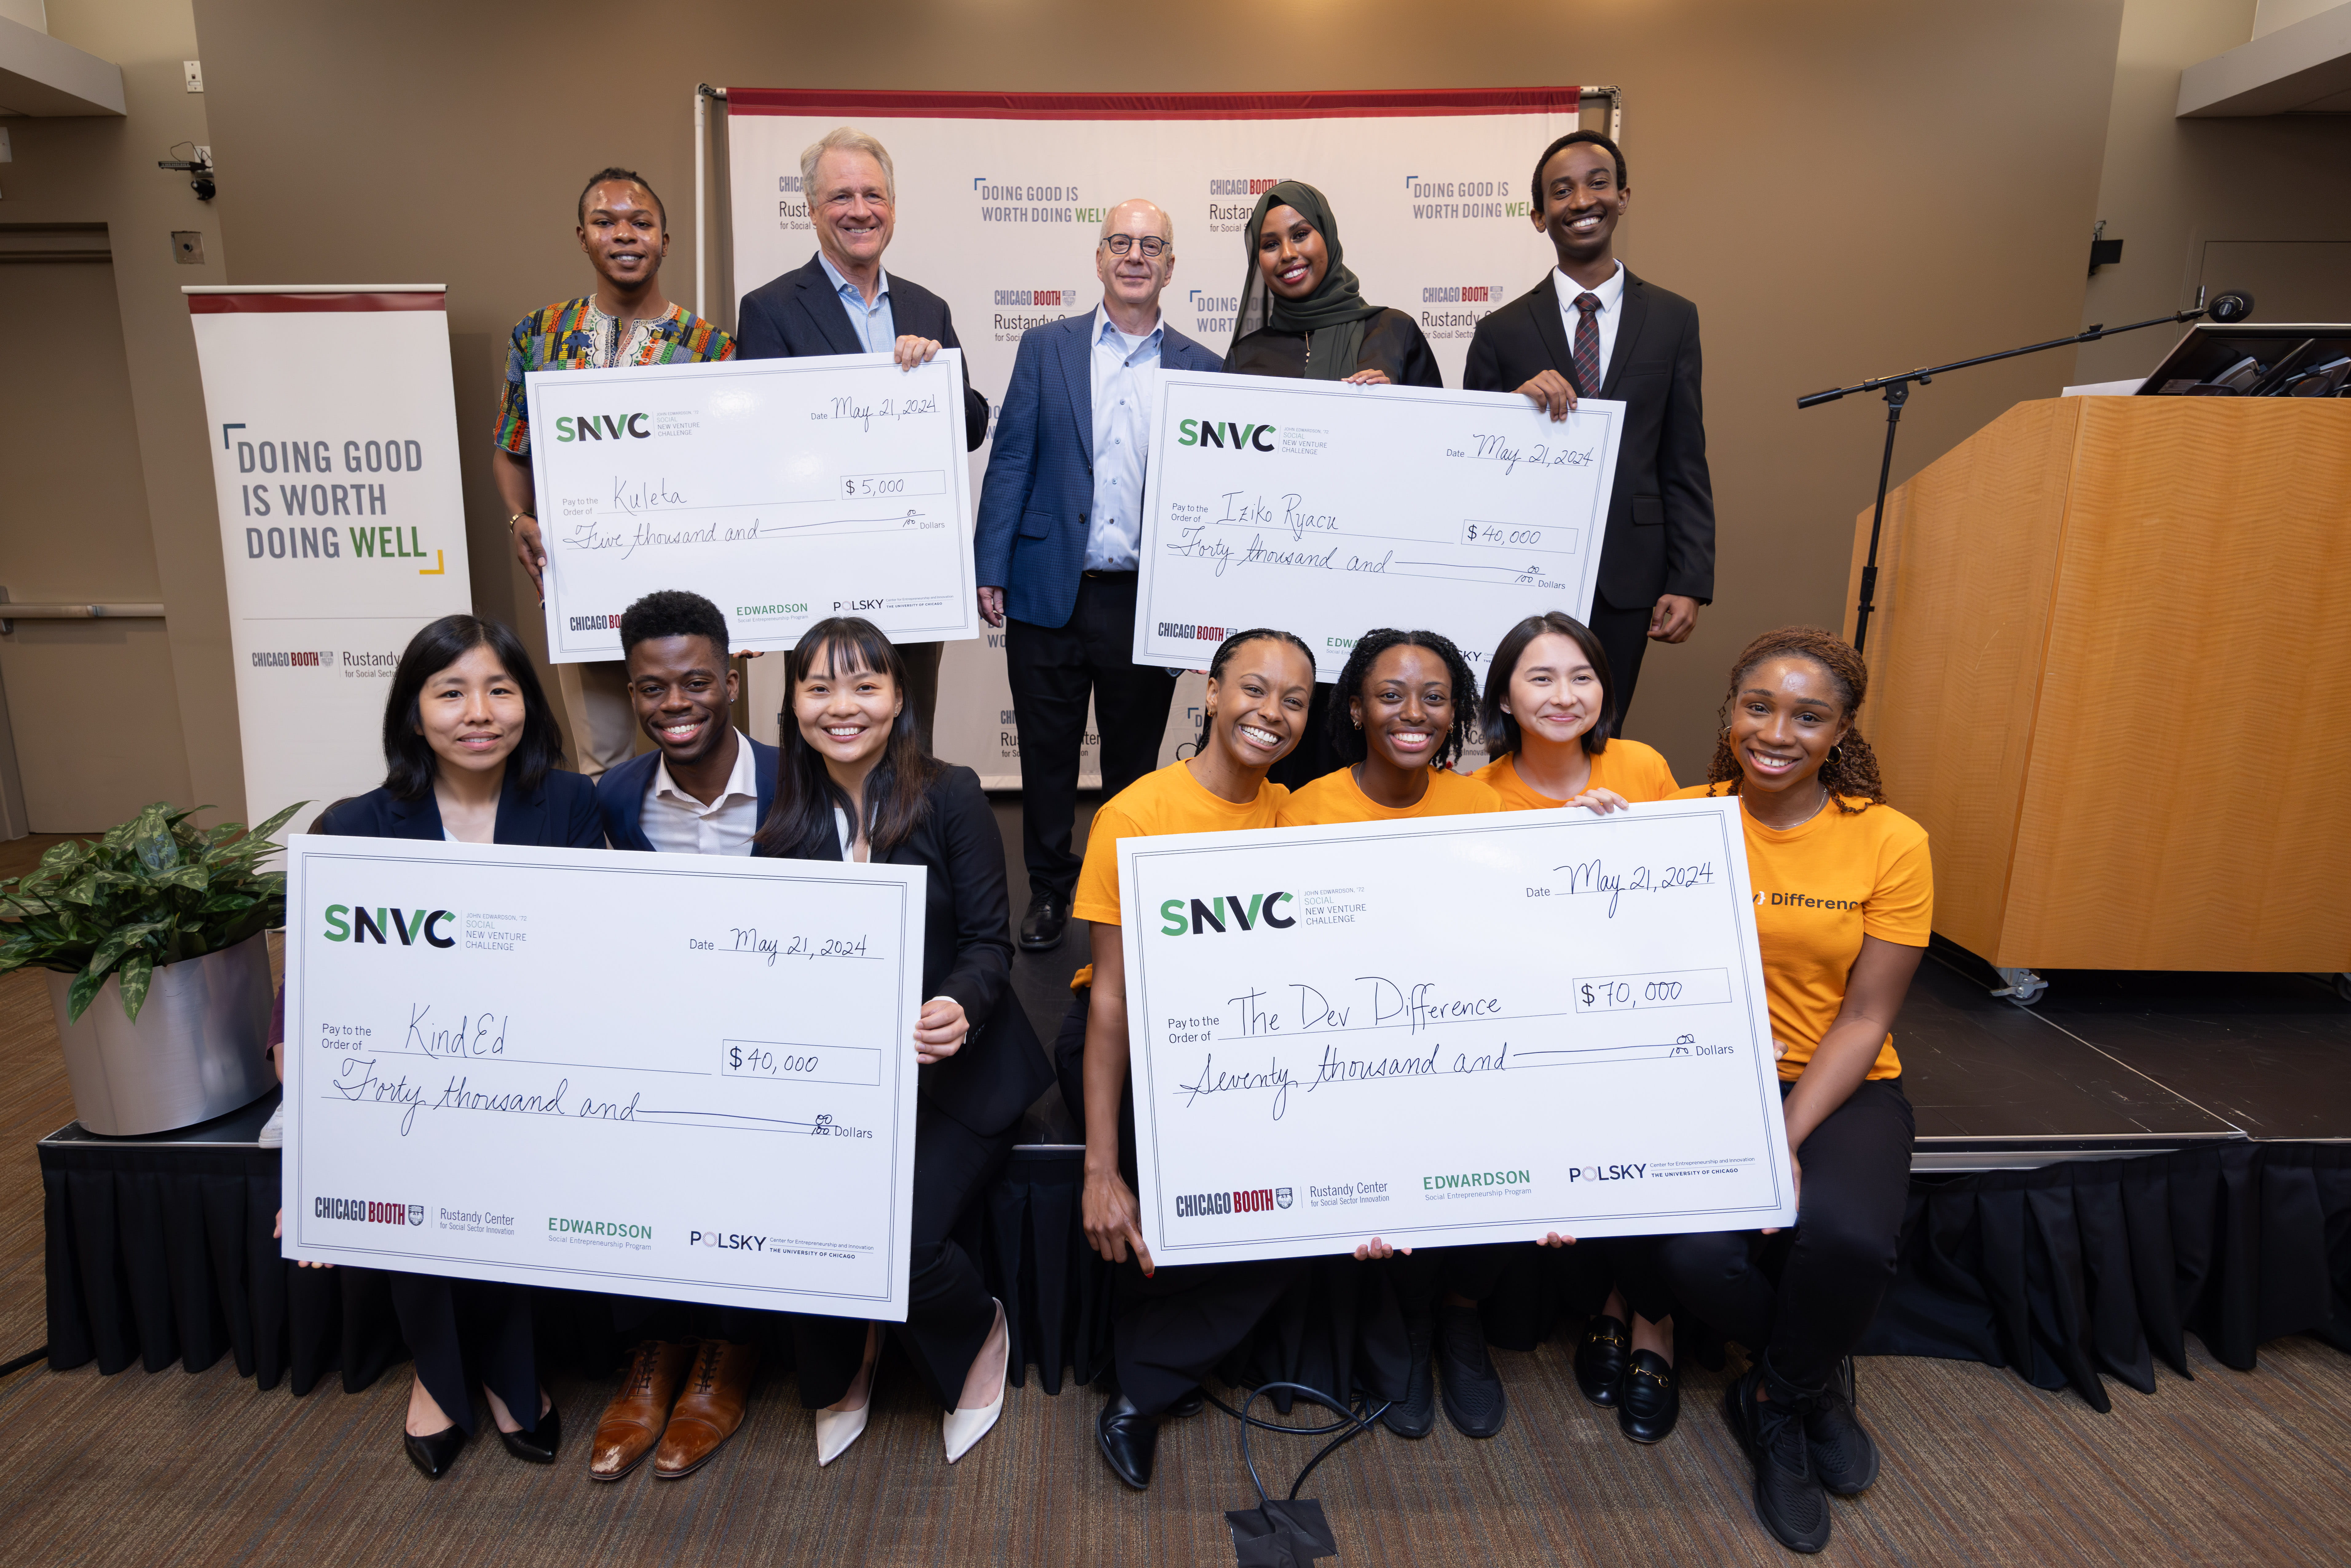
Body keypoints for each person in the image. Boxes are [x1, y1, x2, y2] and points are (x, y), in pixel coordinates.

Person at [1654, 627, 1930, 1555]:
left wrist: (1781, 1136)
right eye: (1758, 706)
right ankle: (1809, 1373)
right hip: (1705, 1078)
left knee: (1847, 1237)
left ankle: (1774, 1394)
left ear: (1841, 730)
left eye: (1808, 715)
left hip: (1840, 1081)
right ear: (1730, 712)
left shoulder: (1890, 838)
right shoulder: (1679, 819)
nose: (1777, 730)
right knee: (1695, 1255)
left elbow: (1866, 1018)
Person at [306, 614, 602, 1479]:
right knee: (422, 1146)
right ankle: (440, 1374)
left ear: (527, 704)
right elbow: (327, 998)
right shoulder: (356, 825)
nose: (480, 712)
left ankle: (511, 1373)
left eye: (500, 689)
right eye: (451, 692)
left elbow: (600, 950)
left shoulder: (570, 805)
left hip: (538, 1065)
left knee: (505, 1148)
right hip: (406, 1077)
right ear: (413, 713)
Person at [755, 617, 1053, 1467]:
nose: (841, 706)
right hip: (838, 1081)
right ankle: (846, 1356)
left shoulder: (951, 791)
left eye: (864, 686)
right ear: (794, 702)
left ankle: (979, 1330)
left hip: (959, 1076)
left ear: (898, 698)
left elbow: (990, 944)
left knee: (903, 1239)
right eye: (818, 687)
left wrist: (960, 1001)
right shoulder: (781, 820)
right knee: (805, 1218)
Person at [1076, 629, 1319, 1489]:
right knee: (1181, 1176)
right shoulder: (1137, 812)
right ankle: (1141, 1389)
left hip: (1251, 1031)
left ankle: (1155, 1370)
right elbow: (1111, 998)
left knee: (1314, 1188)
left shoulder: (1301, 812)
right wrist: (1100, 1167)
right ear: (1210, 693)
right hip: (1137, 1026)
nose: (1272, 713)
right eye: (1253, 689)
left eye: (1294, 699)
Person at [1273, 628, 1511, 1442]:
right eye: (1390, 694)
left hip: (1461, 1042)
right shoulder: (1305, 810)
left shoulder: (1486, 806)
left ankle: (1460, 1316)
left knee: (1495, 1129)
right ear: (1355, 708)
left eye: (1434, 695)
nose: (1413, 712)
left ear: (1458, 712)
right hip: (1349, 1047)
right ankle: (1403, 1324)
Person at [974, 199, 1222, 954]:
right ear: (1100, 258)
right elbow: (1013, 453)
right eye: (1121, 242)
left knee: (1132, 762)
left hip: (1144, 603)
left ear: (1172, 266)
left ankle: (1116, 891)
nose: (1136, 256)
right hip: (1047, 584)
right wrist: (991, 564)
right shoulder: (1046, 348)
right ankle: (1049, 892)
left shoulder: (1204, 368)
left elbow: (1213, 496)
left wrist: (1202, 601)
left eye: (1152, 245)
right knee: (1047, 759)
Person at [583, 590, 780, 1482]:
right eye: (653, 687)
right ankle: (653, 1348)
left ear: (732, 678)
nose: (676, 703)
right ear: (631, 692)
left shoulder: (798, 781)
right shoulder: (614, 800)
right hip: (659, 1037)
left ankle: (727, 1351)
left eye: (697, 681)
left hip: (776, 1041)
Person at [1474, 610, 1683, 1443]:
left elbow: (1679, 906)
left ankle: (1648, 1315)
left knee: (1643, 1105)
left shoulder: (1641, 767)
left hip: (1637, 1008)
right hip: (1531, 1027)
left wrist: (1624, 847)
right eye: (1540, 677)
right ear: (1503, 697)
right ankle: (1611, 1289)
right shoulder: (1479, 795)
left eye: (1582, 676)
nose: (1565, 695)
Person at [736, 127, 991, 753]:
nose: (860, 210)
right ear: (812, 210)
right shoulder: (770, 309)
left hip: (915, 573)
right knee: (825, 742)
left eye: (873, 195)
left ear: (893, 206)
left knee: (910, 743)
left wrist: (938, 377)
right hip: (819, 573)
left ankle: (907, 853)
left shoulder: (926, 308)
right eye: (841, 196)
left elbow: (974, 426)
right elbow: (760, 444)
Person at [1463, 132, 1714, 729]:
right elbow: (1471, 463)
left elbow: (1684, 455)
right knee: (1521, 728)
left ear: (1623, 196)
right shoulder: (1501, 331)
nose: (1581, 200)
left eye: (1597, 183)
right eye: (1561, 190)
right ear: (1538, 215)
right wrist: (1510, 410)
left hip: (1632, 572)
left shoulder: (1674, 319)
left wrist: (1690, 579)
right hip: (1525, 568)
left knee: (1603, 728)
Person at [494, 168, 736, 778]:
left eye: (642, 222)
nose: (624, 234)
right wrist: (521, 519)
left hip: (691, 587)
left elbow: (734, 475)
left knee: (701, 759)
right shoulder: (540, 335)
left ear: (665, 239)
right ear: (583, 237)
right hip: (584, 582)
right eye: (606, 222)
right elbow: (510, 446)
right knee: (602, 760)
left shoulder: (714, 347)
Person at [1224, 180, 1443, 792]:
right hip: (1276, 602)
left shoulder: (1393, 332)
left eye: (1300, 234)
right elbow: (1227, 491)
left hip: (1379, 594)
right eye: (1269, 244)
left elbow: (1444, 465)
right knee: (1279, 761)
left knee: (1372, 757)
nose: (1287, 253)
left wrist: (1393, 417)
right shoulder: (1246, 357)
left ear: (1328, 237)